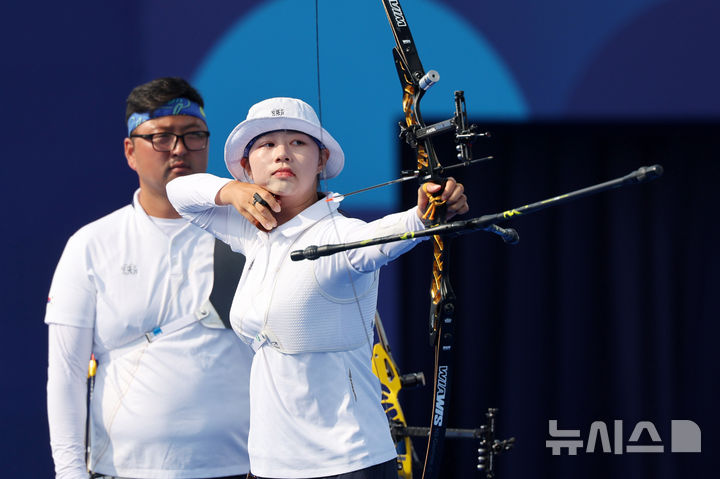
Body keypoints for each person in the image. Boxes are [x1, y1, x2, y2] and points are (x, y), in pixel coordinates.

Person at [166, 97, 469, 479]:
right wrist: (230, 191)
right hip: (268, 464)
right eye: (267, 144)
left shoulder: (342, 236)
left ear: (321, 161)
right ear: (246, 166)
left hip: (349, 462)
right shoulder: (249, 228)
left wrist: (423, 216)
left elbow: (382, 236)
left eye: (298, 143)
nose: (282, 154)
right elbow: (179, 193)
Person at [45, 77, 252, 479]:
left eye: (194, 136)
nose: (179, 150)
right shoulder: (92, 244)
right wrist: (70, 474)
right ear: (130, 151)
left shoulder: (250, 232)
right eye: (161, 137)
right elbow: (66, 373)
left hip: (245, 466)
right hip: (124, 470)